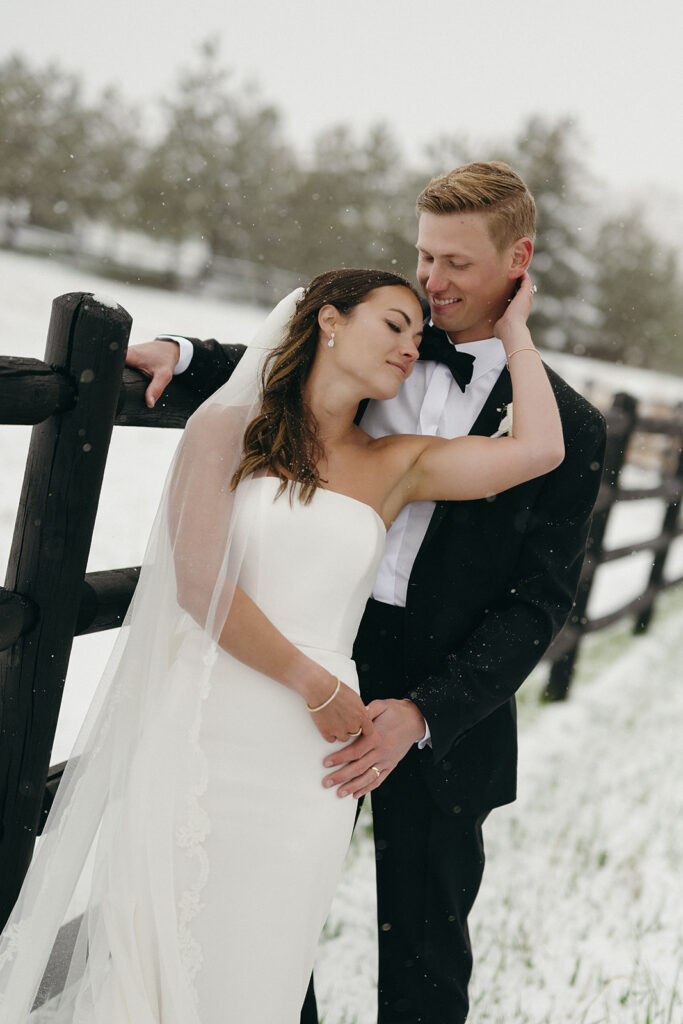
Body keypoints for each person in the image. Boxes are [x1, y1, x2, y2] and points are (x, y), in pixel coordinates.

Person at [0, 263, 561, 1023]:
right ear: (328, 320)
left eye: (418, 335)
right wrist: (316, 685)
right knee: (162, 946)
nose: (410, 346)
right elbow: (201, 584)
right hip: (210, 718)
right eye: (393, 324)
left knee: (261, 965)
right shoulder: (226, 430)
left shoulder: (393, 464)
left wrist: (516, 334)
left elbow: (539, 451)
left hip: (312, 763)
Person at [126, 161, 606, 1024]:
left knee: (425, 950)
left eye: (455, 263)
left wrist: (423, 712)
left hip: (441, 709)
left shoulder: (567, 425)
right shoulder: (385, 349)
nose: (431, 279)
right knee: (262, 914)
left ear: (517, 260)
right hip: (297, 676)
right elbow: (281, 365)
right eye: (423, 256)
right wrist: (187, 354)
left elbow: (538, 602)